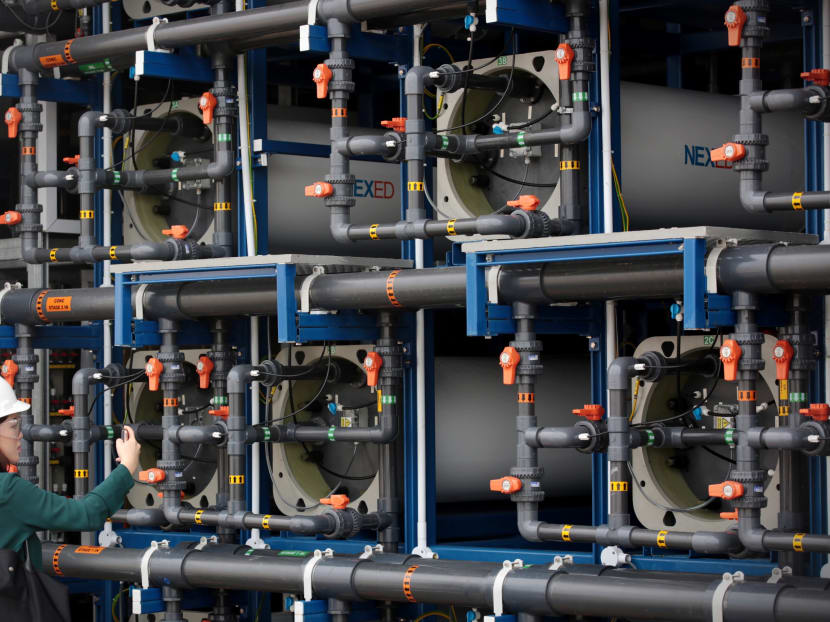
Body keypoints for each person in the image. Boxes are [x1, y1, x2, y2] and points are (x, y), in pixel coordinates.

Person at [0, 376, 140, 570]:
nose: (21, 434)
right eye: (14, 424)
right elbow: (86, 513)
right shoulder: (7, 490)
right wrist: (126, 467)